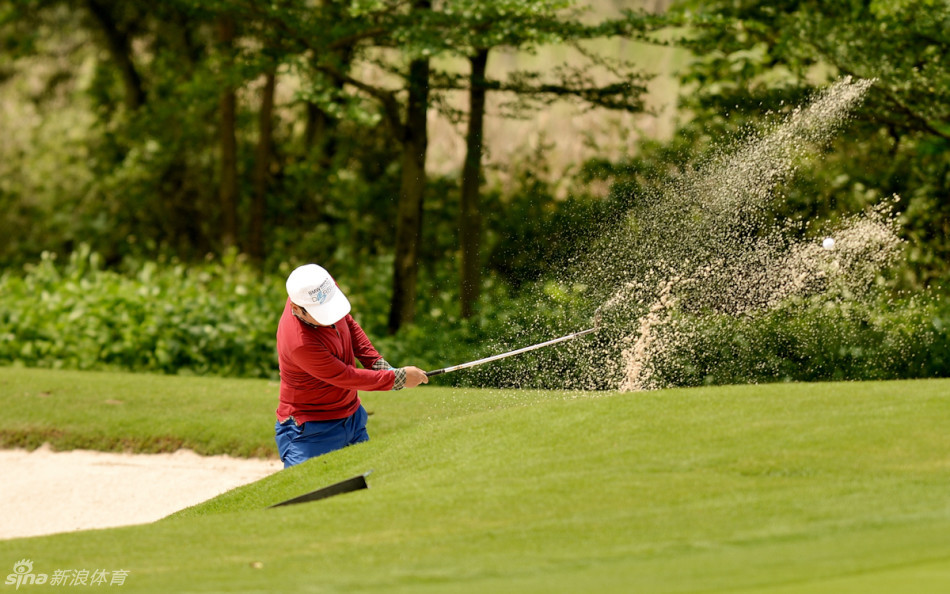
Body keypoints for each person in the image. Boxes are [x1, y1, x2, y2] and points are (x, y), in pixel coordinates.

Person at [274, 263, 428, 467]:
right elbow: (346, 376)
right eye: (323, 314)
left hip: (353, 417)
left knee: (369, 484)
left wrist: (377, 363)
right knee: (303, 495)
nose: (332, 318)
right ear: (296, 309)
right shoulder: (299, 343)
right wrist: (396, 379)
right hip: (310, 429)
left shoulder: (319, 287)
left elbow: (348, 323)